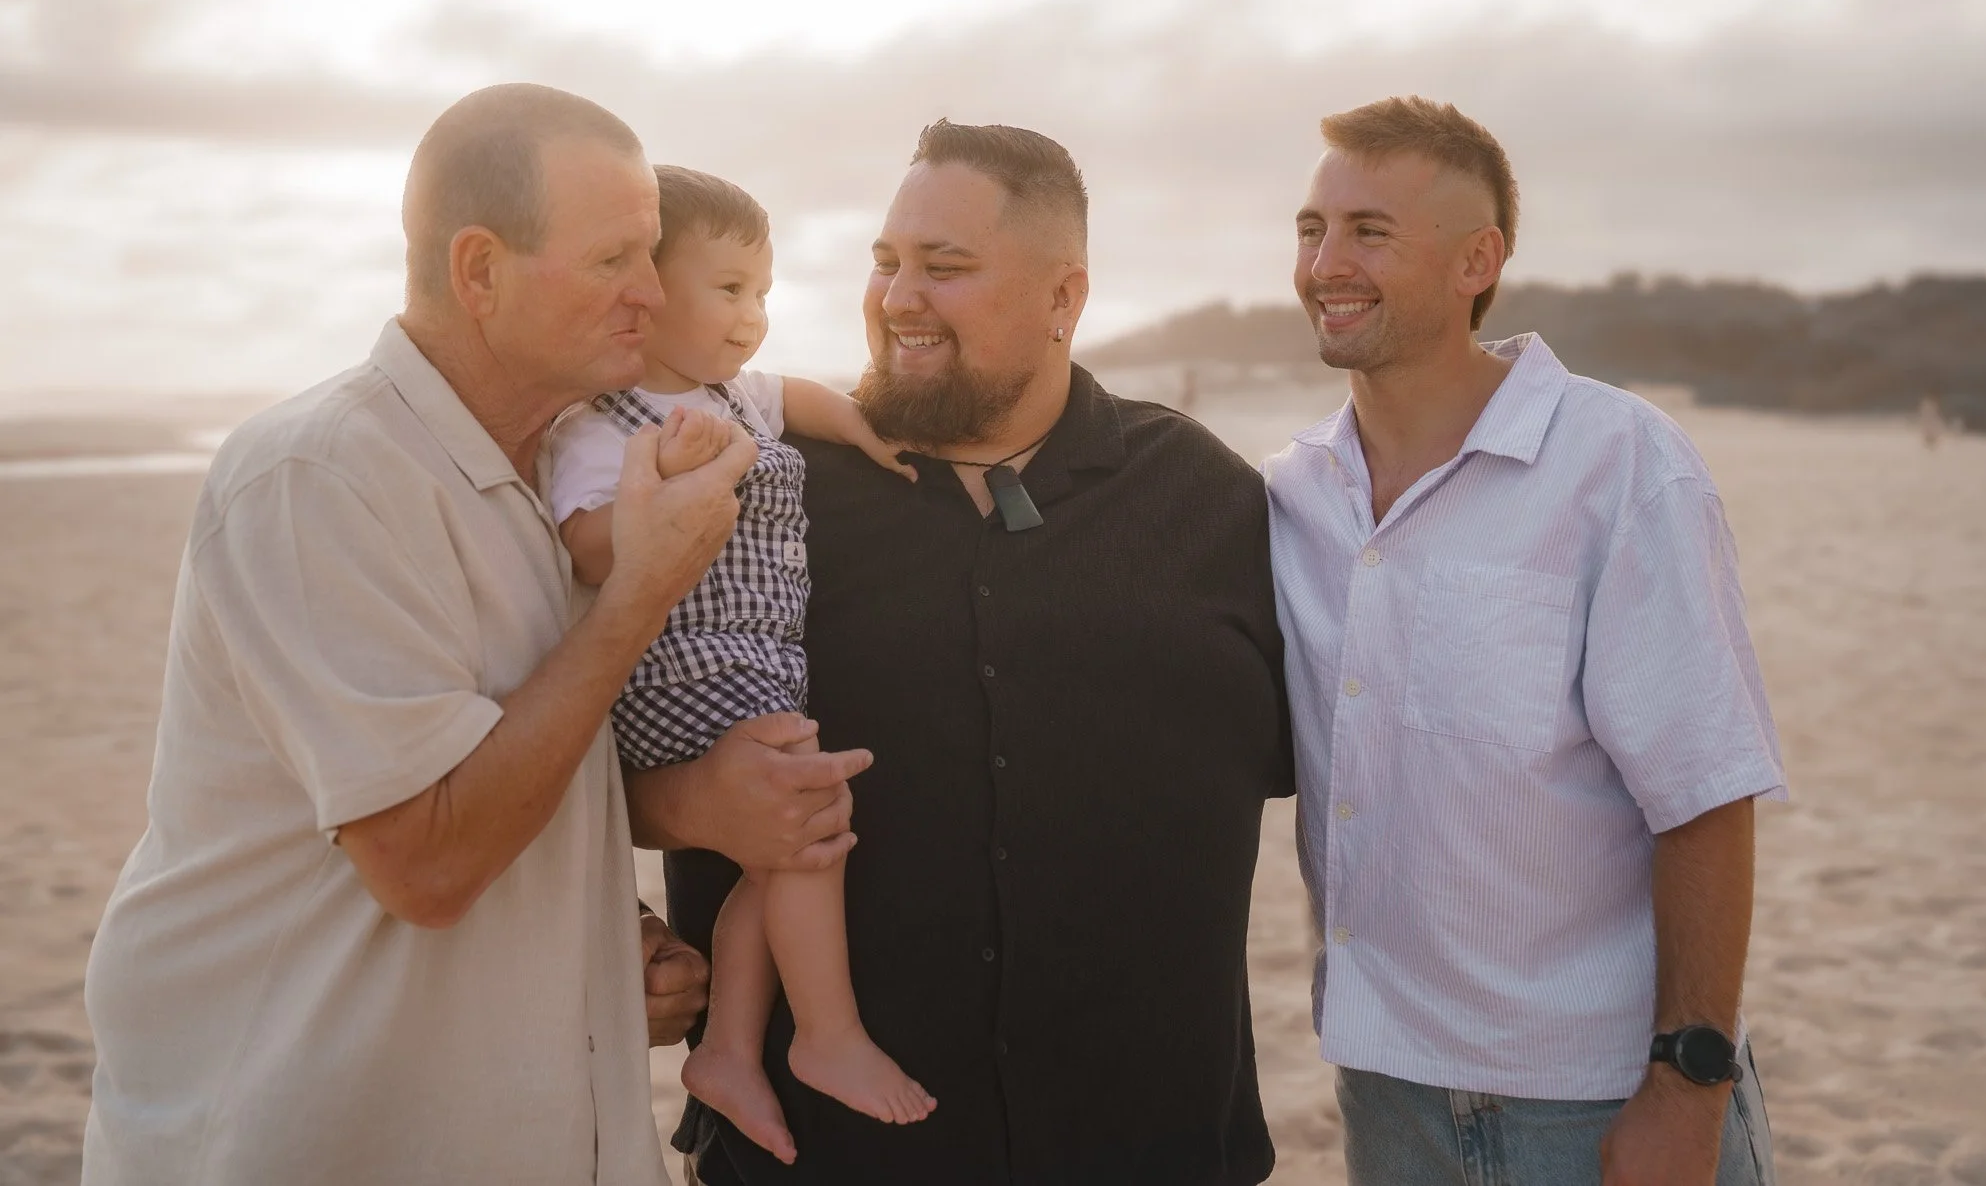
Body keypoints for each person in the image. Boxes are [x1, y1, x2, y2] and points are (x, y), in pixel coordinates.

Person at [81, 84, 869, 1186]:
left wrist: (604, 937)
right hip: (318, 1146)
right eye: (612, 262)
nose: (651, 292)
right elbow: (428, 858)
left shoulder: (565, 481)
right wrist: (643, 589)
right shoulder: (320, 478)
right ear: (480, 270)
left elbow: (533, 748)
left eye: (652, 255)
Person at [633, 120, 1295, 1185]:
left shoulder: (1204, 499)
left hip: (1151, 1143)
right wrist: (649, 884)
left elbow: (1355, 767)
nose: (898, 298)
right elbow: (566, 747)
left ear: (1062, 300)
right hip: (821, 1155)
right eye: (886, 263)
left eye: (943, 269)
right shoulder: (749, 477)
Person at [1264, 96, 1785, 1186]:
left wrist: (1684, 1091)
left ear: (1475, 260)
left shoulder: (1618, 464)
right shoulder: (1288, 497)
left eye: (1368, 231)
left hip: (1594, 1098)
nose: (1325, 263)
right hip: (1386, 1091)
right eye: (1312, 229)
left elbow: (1702, 791)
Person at [550, 165, 932, 1163]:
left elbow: (800, 395)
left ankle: (725, 1047)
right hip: (679, 670)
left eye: (762, 292)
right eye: (727, 289)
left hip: (753, 666)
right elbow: (584, 545)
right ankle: (827, 1033)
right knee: (804, 816)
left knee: (784, 841)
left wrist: (862, 426)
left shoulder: (735, 393)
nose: (752, 314)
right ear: (646, 287)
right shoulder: (610, 420)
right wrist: (657, 494)